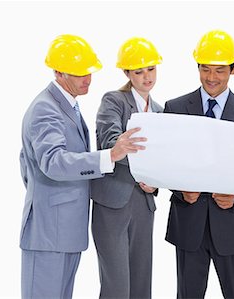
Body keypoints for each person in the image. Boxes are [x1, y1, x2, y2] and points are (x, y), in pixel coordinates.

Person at [19, 34, 146, 299]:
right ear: (58, 72)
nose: (87, 78)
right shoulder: (46, 108)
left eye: (88, 71)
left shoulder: (68, 106)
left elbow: (26, 160)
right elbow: (52, 161)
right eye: (78, 73)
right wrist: (108, 156)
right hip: (48, 234)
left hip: (64, 230)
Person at [163, 29, 234, 298]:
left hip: (232, 225)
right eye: (205, 69)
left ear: (233, 70)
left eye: (219, 70)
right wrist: (179, 189)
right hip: (189, 223)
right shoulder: (174, 108)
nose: (211, 77)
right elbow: (165, 162)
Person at [90, 37, 163, 299]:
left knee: (142, 284)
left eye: (151, 69)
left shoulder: (159, 110)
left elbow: (164, 159)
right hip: (113, 202)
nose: (146, 77)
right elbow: (110, 142)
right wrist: (143, 166)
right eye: (139, 71)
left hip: (143, 202)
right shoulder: (114, 101)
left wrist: (155, 181)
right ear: (127, 73)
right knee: (117, 286)